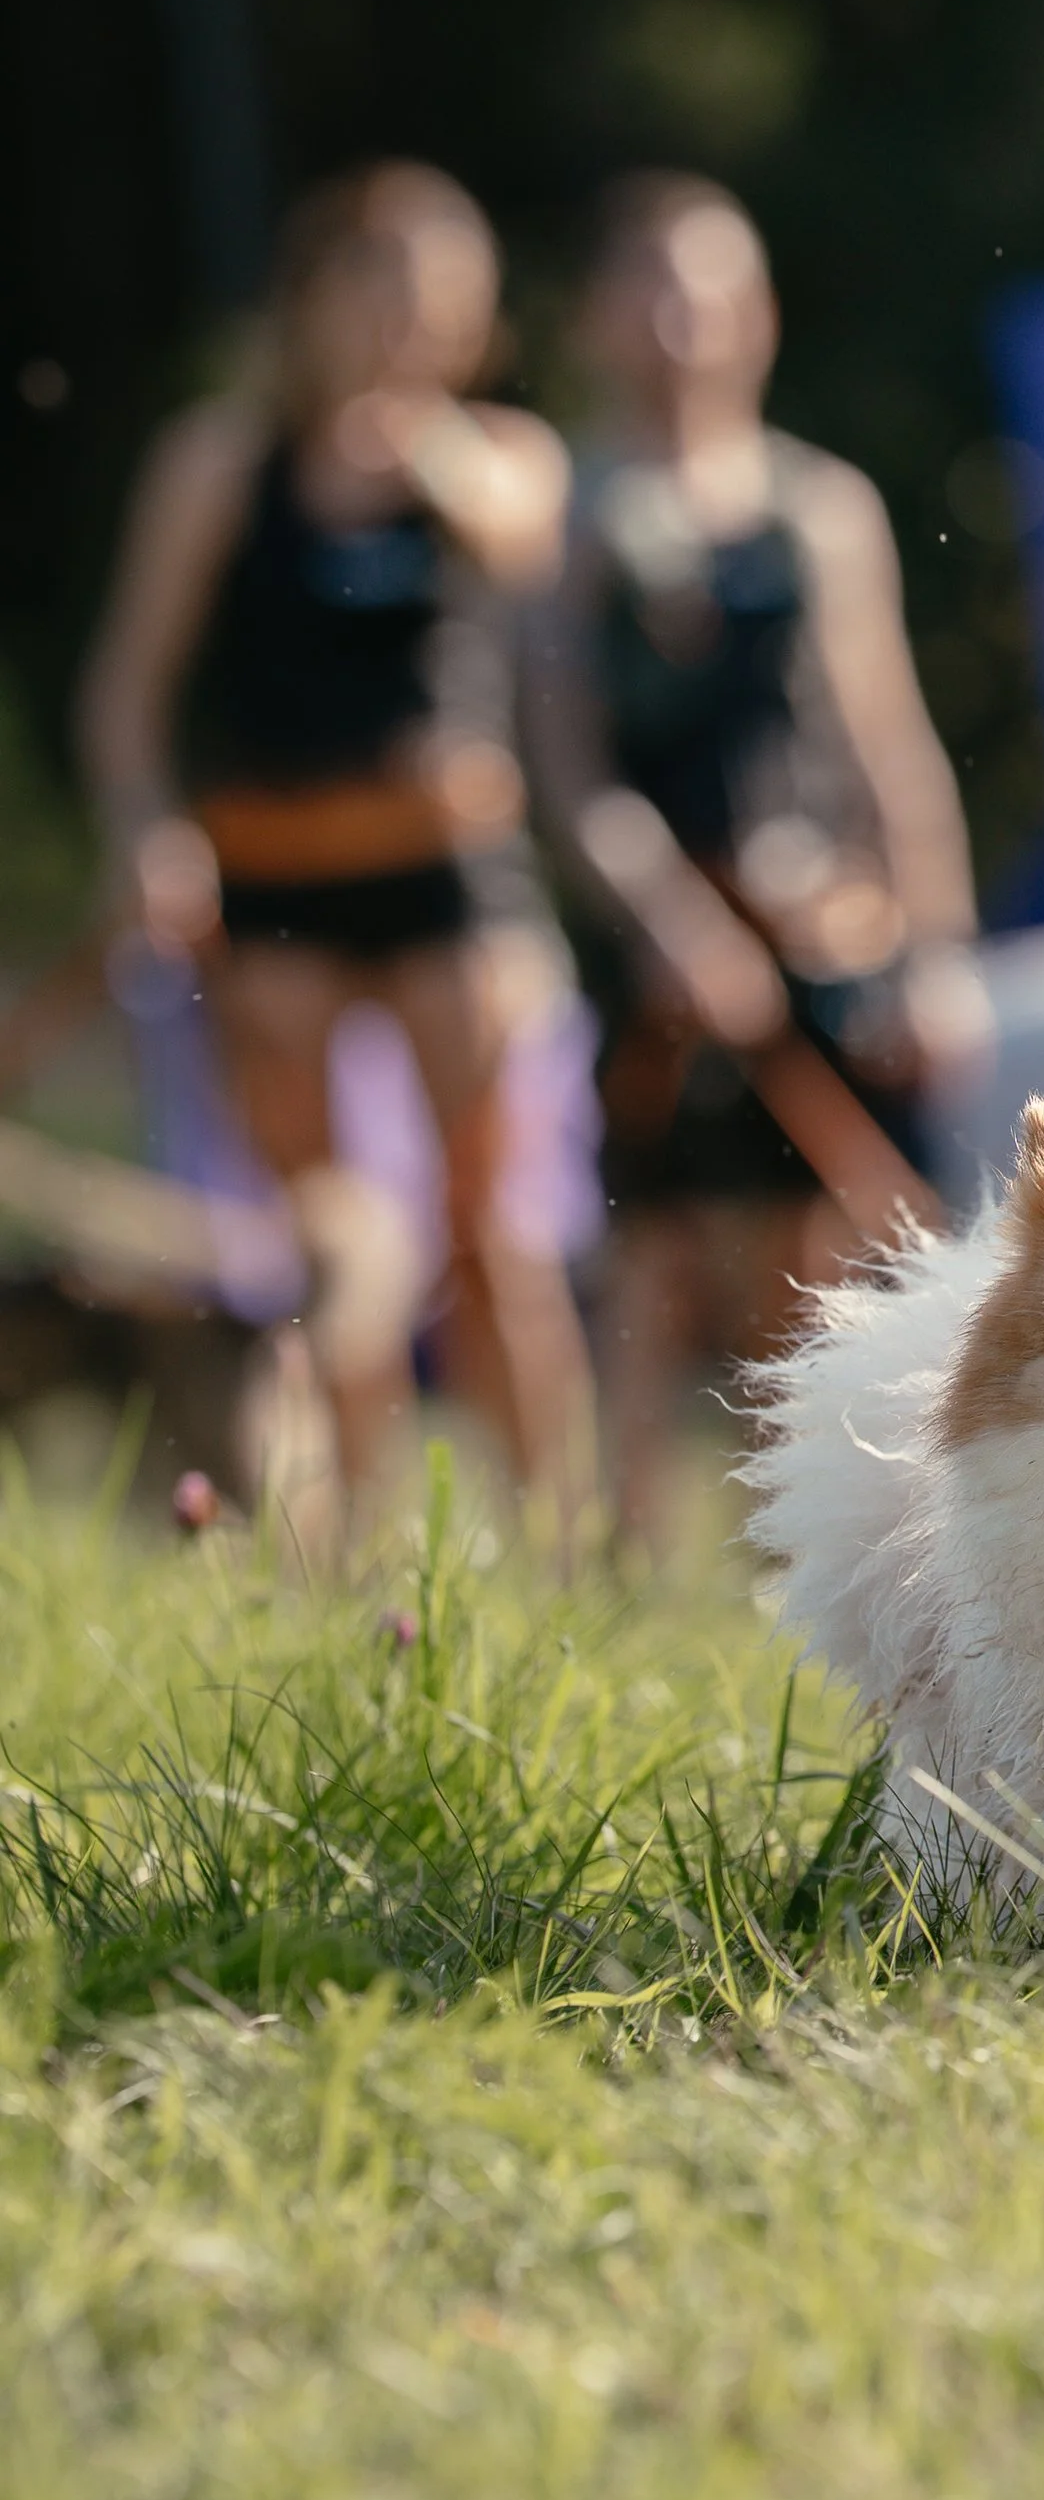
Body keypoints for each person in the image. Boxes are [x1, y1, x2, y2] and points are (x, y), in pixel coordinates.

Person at [76, 161, 595, 1524]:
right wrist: (145, 833)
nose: (399, 322)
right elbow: (127, 691)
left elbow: (526, 545)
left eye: (436, 300)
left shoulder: (491, 459)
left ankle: (559, 1539)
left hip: (447, 874)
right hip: (276, 875)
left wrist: (417, 442)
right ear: (309, 296)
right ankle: (357, 1536)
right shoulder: (221, 464)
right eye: (374, 286)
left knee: (492, 1232)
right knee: (327, 1239)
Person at [524, 173, 988, 1540]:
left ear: (761, 315)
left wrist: (937, 948)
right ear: (602, 314)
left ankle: (816, 1565)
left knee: (825, 1262)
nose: (685, 321)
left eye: (713, 288)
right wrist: (672, 920)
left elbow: (883, 739)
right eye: (655, 287)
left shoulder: (819, 505)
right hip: (651, 935)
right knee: (651, 1262)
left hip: (824, 925)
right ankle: (612, 1569)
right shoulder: (565, 511)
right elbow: (566, 765)